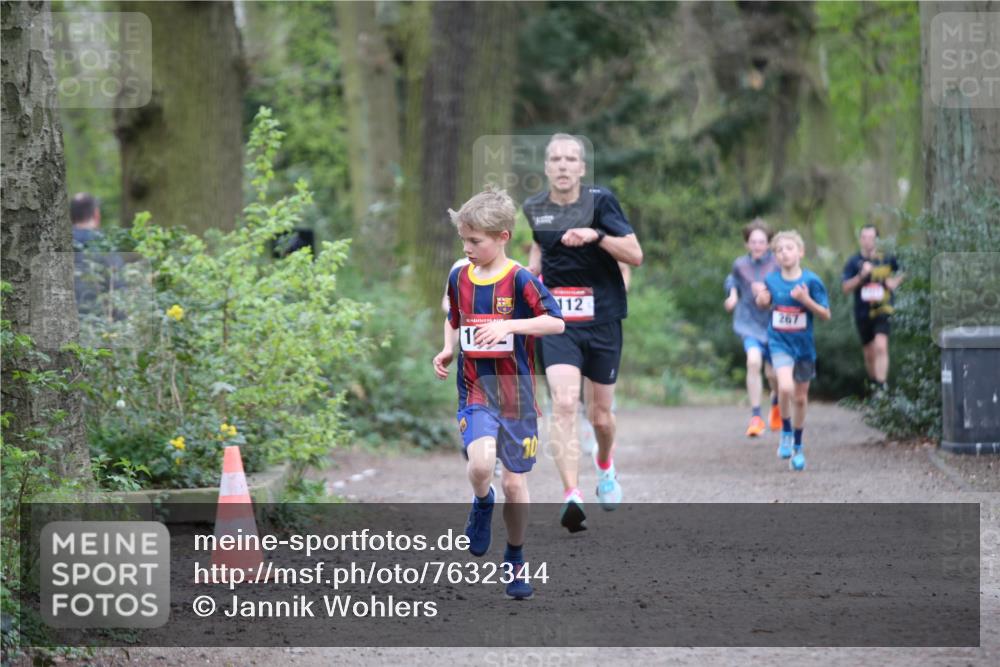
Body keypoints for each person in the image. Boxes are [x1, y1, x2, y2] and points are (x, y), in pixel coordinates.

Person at [433, 185, 564, 600]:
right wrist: (448, 348)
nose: (467, 248)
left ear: (503, 237)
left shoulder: (521, 279)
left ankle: (515, 556)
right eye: (463, 240)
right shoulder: (459, 276)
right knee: (479, 468)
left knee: (515, 485)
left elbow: (555, 323)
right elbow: (454, 317)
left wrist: (510, 326)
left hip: (516, 393)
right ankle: (480, 502)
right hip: (474, 387)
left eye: (475, 241)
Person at [524, 133, 643, 532]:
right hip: (557, 321)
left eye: (569, 159)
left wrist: (597, 236)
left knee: (601, 416)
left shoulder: (601, 202)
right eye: (555, 159)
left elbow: (635, 255)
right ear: (546, 167)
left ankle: (605, 465)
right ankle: (571, 495)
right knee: (563, 402)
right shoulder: (535, 208)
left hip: (603, 318)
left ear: (581, 167)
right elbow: (538, 257)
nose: (561, 165)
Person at [755, 231, 831, 472]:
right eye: (779, 250)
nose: (784, 253)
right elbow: (764, 303)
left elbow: (825, 314)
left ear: (800, 252)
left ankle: (798, 446)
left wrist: (806, 300)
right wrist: (762, 299)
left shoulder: (812, 281)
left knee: (800, 397)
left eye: (789, 248)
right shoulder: (772, 280)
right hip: (779, 343)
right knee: (785, 388)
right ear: (775, 257)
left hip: (804, 348)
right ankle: (785, 431)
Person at [724, 219, 781, 437]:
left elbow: (786, 287)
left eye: (762, 242)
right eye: (753, 241)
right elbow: (733, 282)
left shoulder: (777, 263)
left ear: (768, 244)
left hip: (773, 324)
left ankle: (776, 405)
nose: (757, 245)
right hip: (747, 322)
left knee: (774, 375)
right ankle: (756, 416)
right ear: (747, 243)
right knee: (753, 362)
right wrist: (732, 296)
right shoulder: (740, 264)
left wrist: (767, 291)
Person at [841, 224, 903, 391]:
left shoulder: (887, 258)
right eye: (864, 237)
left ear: (877, 239)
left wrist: (894, 282)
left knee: (881, 345)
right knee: (869, 353)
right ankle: (875, 384)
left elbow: (905, 269)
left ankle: (881, 387)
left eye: (871, 237)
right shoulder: (854, 262)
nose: (868, 241)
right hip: (862, 312)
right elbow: (845, 288)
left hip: (884, 308)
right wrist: (861, 276)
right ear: (860, 239)